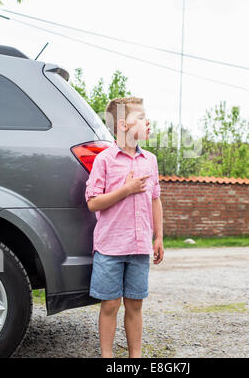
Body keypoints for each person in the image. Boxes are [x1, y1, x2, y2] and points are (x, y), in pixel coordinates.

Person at [85, 96, 164, 358]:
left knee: (135, 304)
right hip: (110, 248)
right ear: (123, 124)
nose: (147, 121)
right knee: (110, 304)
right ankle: (107, 358)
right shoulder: (104, 160)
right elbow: (93, 203)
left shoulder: (149, 161)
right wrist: (126, 190)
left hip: (140, 247)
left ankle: (135, 358)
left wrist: (159, 237)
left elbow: (155, 199)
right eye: (140, 117)